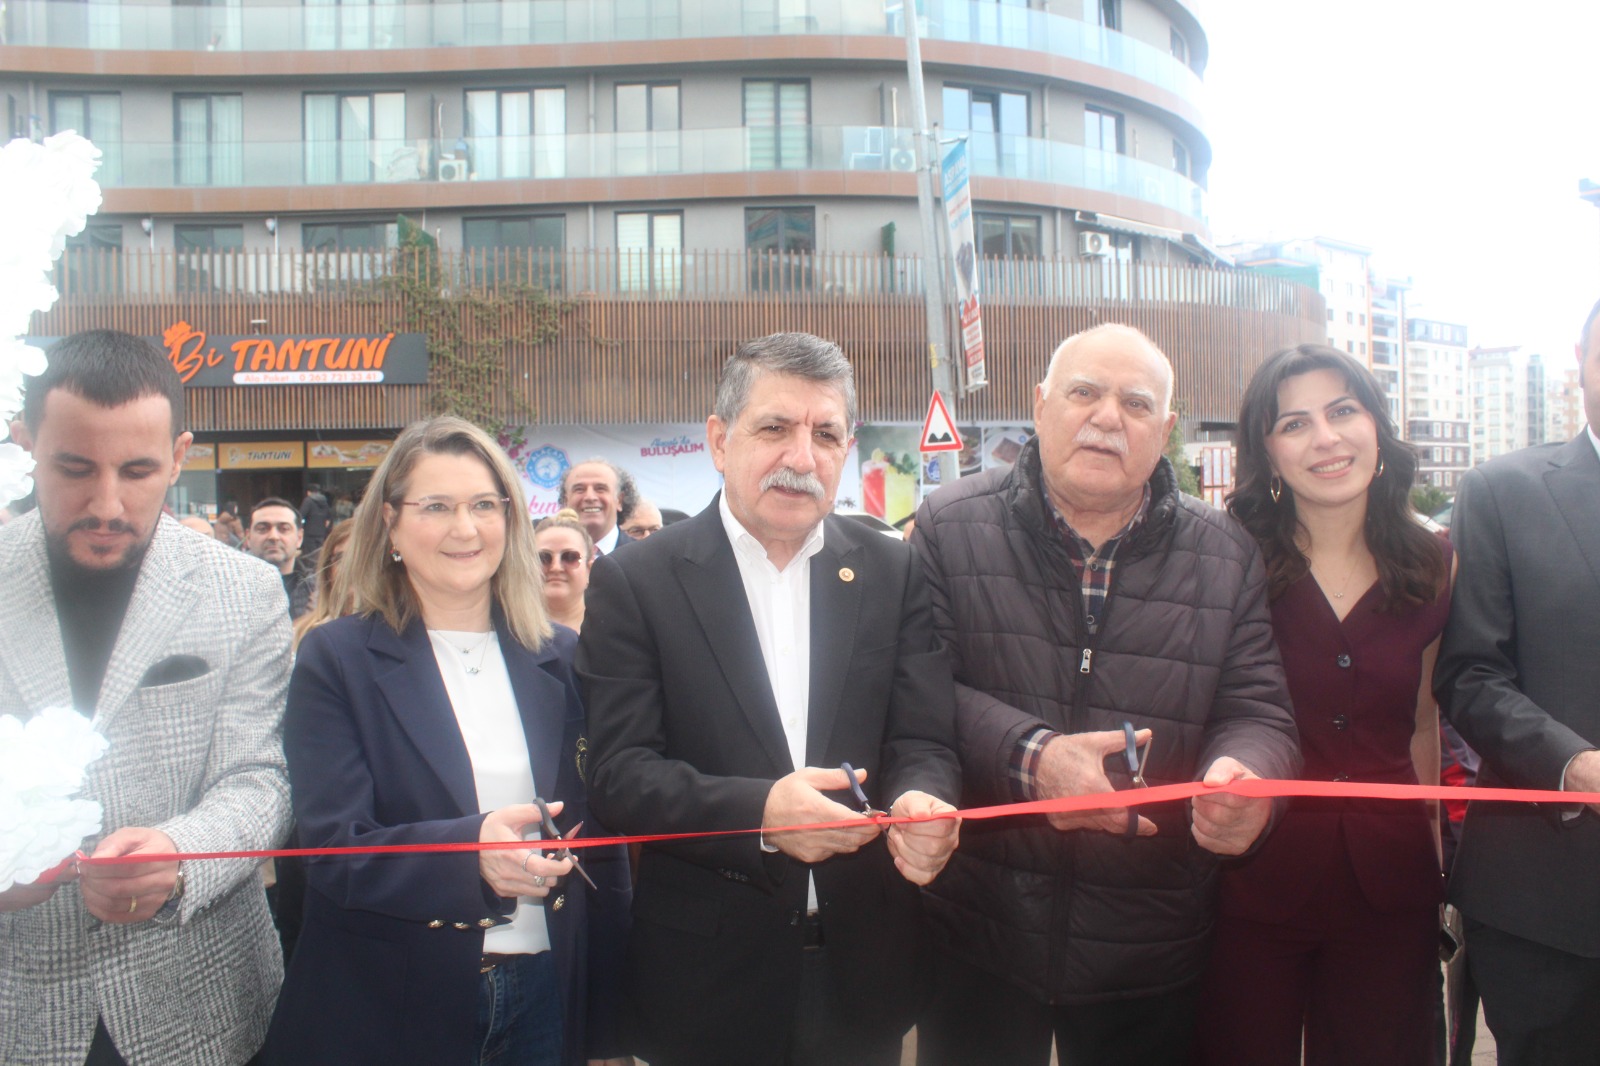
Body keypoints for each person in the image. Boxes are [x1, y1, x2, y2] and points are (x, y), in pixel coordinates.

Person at [910, 323, 1301, 1066]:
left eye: (1136, 403)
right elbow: (920, 695)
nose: (1107, 417)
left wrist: (1248, 781)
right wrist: (1034, 759)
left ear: (1167, 428)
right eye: (1084, 392)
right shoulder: (949, 525)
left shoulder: (1226, 553)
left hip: (1149, 943)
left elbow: (1257, 711)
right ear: (1040, 404)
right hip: (979, 931)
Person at [577, 332, 962, 1066]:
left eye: (826, 435)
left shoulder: (892, 571)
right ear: (720, 441)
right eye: (775, 428)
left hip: (862, 975)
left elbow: (923, 739)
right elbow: (619, 776)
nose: (801, 457)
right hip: (706, 981)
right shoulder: (637, 582)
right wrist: (760, 814)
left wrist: (923, 800)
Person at [264, 415, 631, 1066]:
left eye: (484, 505)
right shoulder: (336, 659)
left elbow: (603, 844)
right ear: (391, 524)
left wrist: (606, 1022)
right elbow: (331, 849)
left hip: (546, 997)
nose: (465, 529)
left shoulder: (563, 655)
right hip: (389, 1003)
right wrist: (470, 858)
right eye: (436, 507)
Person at [0, 329, 293, 1066]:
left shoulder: (247, 591)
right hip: (17, 1005)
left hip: (203, 1006)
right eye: (73, 468)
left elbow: (261, 776)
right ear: (25, 443)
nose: (107, 504)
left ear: (179, 455)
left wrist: (181, 854)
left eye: (137, 471)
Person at [1192, 344, 1453, 1065]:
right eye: (1295, 423)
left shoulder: (1437, 563)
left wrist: (1433, 864)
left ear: (1377, 426)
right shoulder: (1228, 560)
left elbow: (1423, 724)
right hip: (1251, 883)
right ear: (1269, 455)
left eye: (1343, 411)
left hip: (1390, 886)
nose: (1326, 439)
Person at [1433, 296, 1600, 1064]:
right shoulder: (1504, 491)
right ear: (1581, 361)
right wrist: (1574, 764)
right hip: (1550, 904)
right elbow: (1470, 673)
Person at [291, 518, 354, 651]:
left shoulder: (397, 634)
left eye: (362, 557)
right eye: (341, 558)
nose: (350, 567)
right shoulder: (302, 633)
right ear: (328, 572)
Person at [245, 496, 311, 618]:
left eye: (284, 529)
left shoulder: (318, 591)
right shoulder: (229, 590)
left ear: (299, 537)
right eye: (262, 529)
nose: (273, 536)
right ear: (248, 537)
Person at [558, 458, 637, 556]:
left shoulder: (643, 557)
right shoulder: (545, 557)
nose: (590, 497)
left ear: (619, 500)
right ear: (565, 501)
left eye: (600, 489)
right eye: (579, 489)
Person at [535, 509, 593, 632]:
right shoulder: (507, 629)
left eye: (570, 557)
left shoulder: (613, 628)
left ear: (589, 570)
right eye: (543, 558)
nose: (556, 567)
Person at [300, 482, 332, 561]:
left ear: (308, 492)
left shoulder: (308, 500)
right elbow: (328, 517)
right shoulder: (324, 501)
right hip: (321, 532)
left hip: (309, 532)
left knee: (309, 555)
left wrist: (301, 526)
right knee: (319, 554)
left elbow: (301, 515)